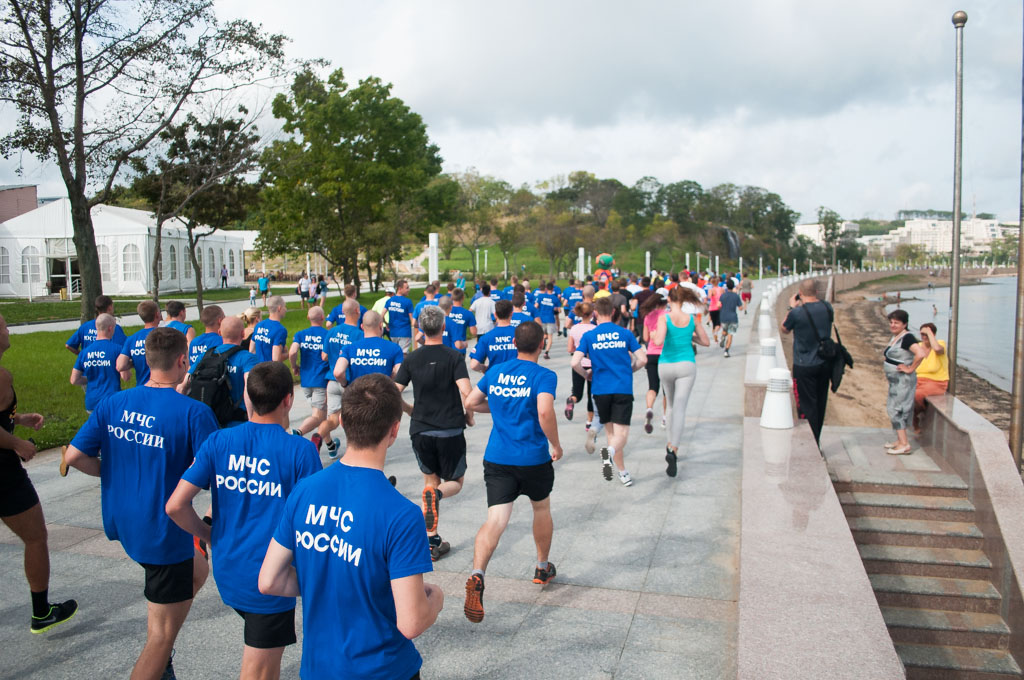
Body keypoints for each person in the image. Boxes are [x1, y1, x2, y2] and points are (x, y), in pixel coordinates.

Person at [258, 373, 443, 679]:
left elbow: (269, 581)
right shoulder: (401, 514)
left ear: (342, 421)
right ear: (394, 430)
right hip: (382, 669)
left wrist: (329, 581)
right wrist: (435, 599)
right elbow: (411, 623)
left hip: (318, 668)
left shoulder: (304, 490)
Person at [64, 328, 219, 679]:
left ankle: (160, 658)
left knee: (197, 570)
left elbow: (74, 456)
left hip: (124, 522)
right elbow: (214, 479)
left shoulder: (112, 403)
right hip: (162, 532)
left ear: (145, 362)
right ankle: (158, 660)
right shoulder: (193, 412)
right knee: (161, 636)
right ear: (183, 361)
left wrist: (113, 471)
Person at [166, 362, 321, 680]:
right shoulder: (300, 451)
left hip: (229, 571)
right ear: (288, 400)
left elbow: (176, 505)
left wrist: (208, 535)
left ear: (247, 398)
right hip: (269, 580)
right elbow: (315, 520)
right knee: (259, 673)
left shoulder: (218, 442)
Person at [463, 321, 563, 623]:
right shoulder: (544, 375)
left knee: (495, 520)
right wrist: (555, 444)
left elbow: (470, 402)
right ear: (542, 342)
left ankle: (478, 573)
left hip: (498, 458)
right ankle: (541, 566)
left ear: (515, 344)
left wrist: (502, 406)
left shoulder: (495, 371)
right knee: (541, 507)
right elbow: (544, 411)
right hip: (532, 458)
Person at [1, 313, 78, 633]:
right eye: (3, 325)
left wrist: (18, 420)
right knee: (35, 537)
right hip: (3, 474)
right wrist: (17, 443)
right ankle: (41, 611)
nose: (7, 330)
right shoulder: (1, 376)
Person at [395, 306, 473, 562]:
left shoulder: (411, 359)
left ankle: (432, 538)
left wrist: (409, 409)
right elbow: (466, 390)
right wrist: (469, 414)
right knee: (455, 483)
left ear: (420, 328)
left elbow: (395, 391)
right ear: (443, 327)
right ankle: (438, 494)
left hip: (421, 429)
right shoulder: (454, 357)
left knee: (429, 481)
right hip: (450, 429)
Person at [572, 296, 647, 486]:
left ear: (595, 313)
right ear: (613, 312)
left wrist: (586, 375)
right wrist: (631, 370)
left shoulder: (590, 336)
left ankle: (622, 471)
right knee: (622, 436)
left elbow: (574, 362)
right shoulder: (625, 333)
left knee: (612, 434)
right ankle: (610, 454)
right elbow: (643, 359)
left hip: (600, 389)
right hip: (621, 387)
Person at [653, 287, 711, 476]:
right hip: (686, 364)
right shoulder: (692, 319)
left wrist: (654, 335)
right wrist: (688, 335)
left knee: (669, 406)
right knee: (680, 407)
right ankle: (673, 448)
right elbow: (706, 341)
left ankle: (669, 442)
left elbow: (660, 340)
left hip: (666, 365)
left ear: (669, 299)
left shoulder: (665, 318)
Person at [780, 279, 833, 446]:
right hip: (824, 362)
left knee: (805, 405)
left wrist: (791, 307)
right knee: (819, 403)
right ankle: (816, 440)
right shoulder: (827, 307)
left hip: (804, 364)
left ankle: (810, 445)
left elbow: (784, 328)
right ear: (816, 292)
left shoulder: (797, 312)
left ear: (800, 293)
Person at [180, 315, 257, 428]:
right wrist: (252, 419)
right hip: (237, 423)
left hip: (209, 422)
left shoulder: (206, 356)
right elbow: (249, 389)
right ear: (243, 334)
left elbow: (182, 387)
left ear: (220, 332)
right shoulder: (248, 358)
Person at [320, 299, 364, 457]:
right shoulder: (360, 335)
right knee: (355, 420)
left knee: (332, 419)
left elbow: (324, 356)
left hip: (332, 381)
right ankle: (357, 453)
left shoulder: (331, 332)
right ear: (357, 311)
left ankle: (318, 438)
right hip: (350, 382)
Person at [882, 309, 927, 455]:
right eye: (891, 322)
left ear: (905, 324)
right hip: (895, 381)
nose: (893, 325)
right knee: (892, 407)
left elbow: (920, 354)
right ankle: (899, 440)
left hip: (903, 381)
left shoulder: (907, 338)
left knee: (897, 409)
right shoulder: (896, 336)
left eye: (897, 323)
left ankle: (904, 444)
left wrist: (910, 368)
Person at [289, 306, 330, 443]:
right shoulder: (327, 335)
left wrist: (294, 366)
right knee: (318, 417)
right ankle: (297, 433)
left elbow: (292, 352)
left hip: (306, 381)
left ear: (308, 318)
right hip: (321, 381)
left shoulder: (301, 334)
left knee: (320, 415)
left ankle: (330, 445)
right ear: (323, 318)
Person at [69, 313, 122, 414]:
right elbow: (125, 375)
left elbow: (74, 380)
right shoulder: (117, 349)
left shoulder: (84, 353)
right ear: (110, 329)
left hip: (92, 401)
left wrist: (90, 378)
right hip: (112, 400)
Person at [334, 311, 404, 384]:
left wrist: (345, 384)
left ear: (362, 327)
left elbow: (338, 372)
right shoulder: (394, 348)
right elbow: (399, 371)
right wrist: (390, 381)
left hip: (357, 392)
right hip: (383, 392)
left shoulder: (349, 348)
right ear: (380, 326)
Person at [566, 302, 596, 440]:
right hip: (592, 364)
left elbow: (570, 349)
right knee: (591, 394)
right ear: (592, 314)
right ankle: (589, 422)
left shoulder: (574, 329)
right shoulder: (595, 328)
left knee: (577, 392)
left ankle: (571, 400)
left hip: (578, 363)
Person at [640, 292, 668, 435]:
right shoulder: (668, 316)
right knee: (666, 389)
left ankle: (649, 408)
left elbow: (645, 337)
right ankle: (664, 417)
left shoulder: (648, 316)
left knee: (652, 387)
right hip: (666, 355)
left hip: (651, 354)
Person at [913, 322, 948, 433]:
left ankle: (915, 418)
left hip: (937, 382)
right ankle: (914, 417)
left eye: (926, 334)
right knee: (904, 394)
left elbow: (937, 349)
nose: (924, 337)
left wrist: (929, 333)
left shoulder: (939, 344)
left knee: (917, 394)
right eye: (922, 334)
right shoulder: (918, 346)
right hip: (918, 380)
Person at [117, 300, 162, 387]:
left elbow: (120, 366)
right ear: (157, 314)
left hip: (142, 387)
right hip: (161, 387)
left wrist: (135, 361)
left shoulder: (132, 339)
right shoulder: (164, 335)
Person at [469, 300, 517, 373]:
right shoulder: (519, 334)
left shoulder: (486, 337)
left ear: (495, 315)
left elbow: (473, 365)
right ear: (511, 314)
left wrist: (483, 367)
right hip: (517, 377)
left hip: (495, 377)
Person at [251, 296, 288, 363]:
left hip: (257, 368)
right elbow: (276, 359)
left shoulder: (259, 325)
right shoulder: (280, 330)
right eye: (284, 307)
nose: (286, 309)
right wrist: (289, 354)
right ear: (279, 308)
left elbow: (252, 350)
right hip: (270, 369)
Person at [385, 279, 415, 353]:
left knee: (395, 352)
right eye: (407, 288)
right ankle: (403, 365)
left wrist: (386, 323)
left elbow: (382, 314)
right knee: (403, 353)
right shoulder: (408, 302)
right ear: (400, 289)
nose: (409, 290)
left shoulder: (390, 301)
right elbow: (412, 320)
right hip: (405, 332)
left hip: (393, 332)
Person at [717, 279, 745, 358]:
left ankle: (723, 336)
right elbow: (740, 308)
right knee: (730, 334)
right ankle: (726, 351)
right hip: (733, 318)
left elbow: (718, 305)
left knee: (725, 330)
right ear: (733, 286)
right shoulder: (736, 296)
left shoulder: (723, 295)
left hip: (723, 317)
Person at [536, 282, 559, 360]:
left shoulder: (540, 296)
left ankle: (539, 349)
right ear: (553, 289)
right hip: (550, 319)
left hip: (541, 318)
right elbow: (558, 309)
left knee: (542, 335)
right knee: (550, 337)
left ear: (546, 288)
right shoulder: (555, 298)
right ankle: (546, 352)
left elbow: (536, 306)